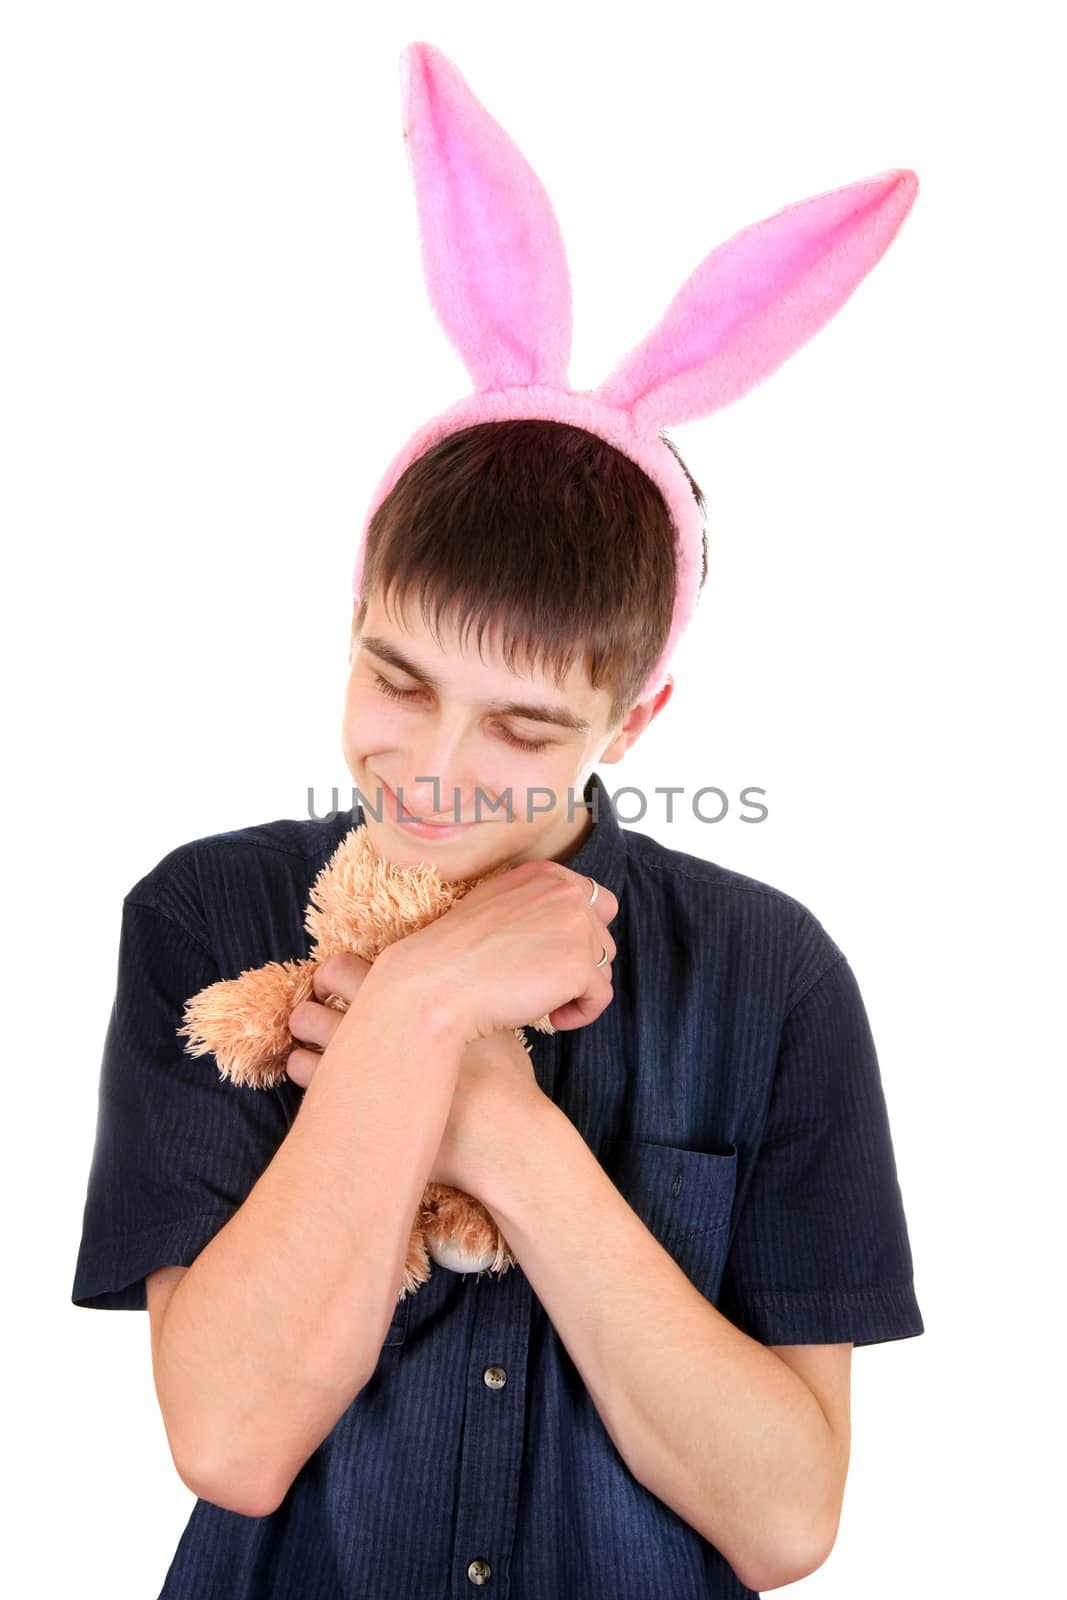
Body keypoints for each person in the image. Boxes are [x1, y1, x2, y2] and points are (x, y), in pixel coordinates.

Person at [71, 42, 924, 1600]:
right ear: (351, 619)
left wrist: (507, 1134)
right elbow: (233, 1438)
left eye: (526, 725)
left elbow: (789, 1519)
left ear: (637, 718)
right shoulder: (204, 923)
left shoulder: (771, 973)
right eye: (398, 680)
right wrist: (429, 1003)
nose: (441, 770)